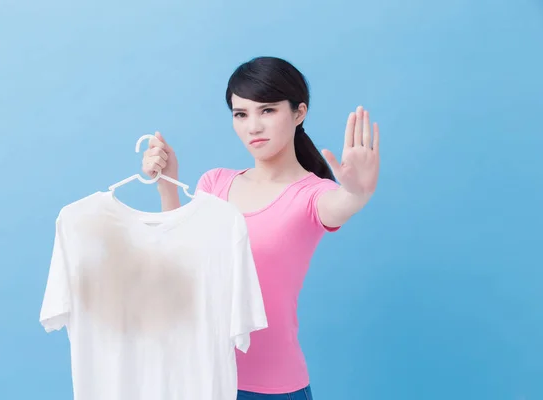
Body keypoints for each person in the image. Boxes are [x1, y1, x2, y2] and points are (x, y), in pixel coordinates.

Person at [141, 56, 380, 399]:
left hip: (273, 389)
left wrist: (358, 193)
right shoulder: (215, 183)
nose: (253, 126)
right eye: (241, 114)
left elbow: (341, 205)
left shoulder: (313, 196)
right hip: (202, 379)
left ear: (299, 113)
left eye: (267, 110)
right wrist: (167, 185)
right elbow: (179, 267)